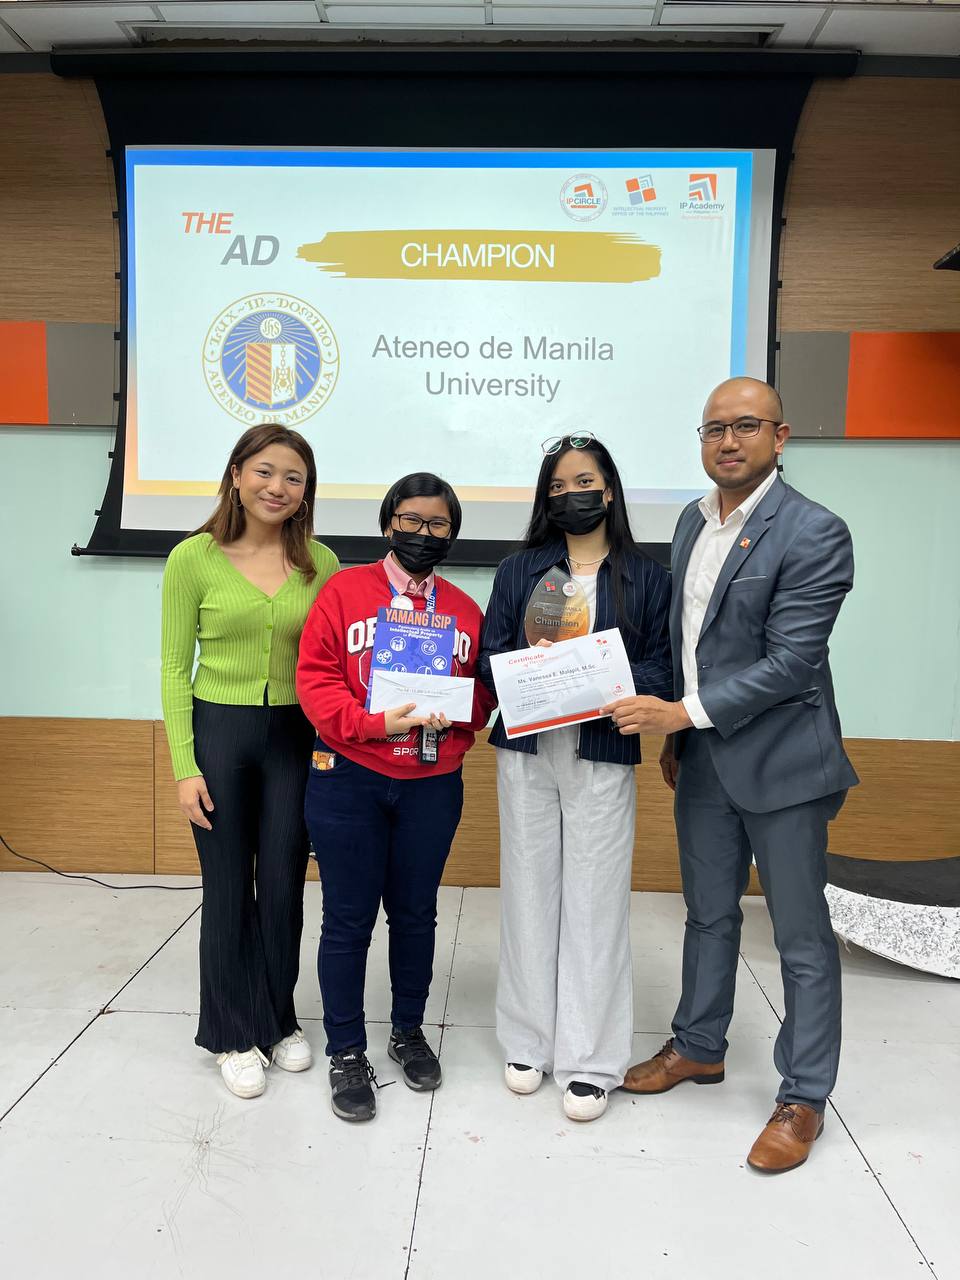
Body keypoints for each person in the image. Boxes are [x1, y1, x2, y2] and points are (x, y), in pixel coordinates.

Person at [607, 377, 858, 1173]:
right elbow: (692, 642)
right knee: (708, 915)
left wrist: (680, 715)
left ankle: (804, 1096)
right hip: (705, 760)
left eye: (746, 426)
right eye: (714, 428)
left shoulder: (815, 530)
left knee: (799, 937)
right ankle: (699, 1045)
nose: (727, 441)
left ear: (780, 437)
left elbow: (791, 663)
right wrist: (681, 738)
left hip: (784, 765)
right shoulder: (691, 520)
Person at [477, 432, 672, 1123]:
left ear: (609, 490)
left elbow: (663, 666)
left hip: (602, 749)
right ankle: (528, 1041)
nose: (571, 495)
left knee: (595, 900)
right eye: (557, 487)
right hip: (526, 748)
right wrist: (534, 671)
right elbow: (489, 655)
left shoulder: (646, 575)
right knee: (529, 892)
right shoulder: (520, 569)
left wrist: (593, 675)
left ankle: (591, 1059)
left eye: (583, 482)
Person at [296, 472, 496, 1123]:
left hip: (431, 785)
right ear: (388, 524)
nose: (423, 533)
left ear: (452, 534)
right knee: (347, 919)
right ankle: (346, 1050)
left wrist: (459, 716)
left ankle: (408, 1031)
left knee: (415, 915)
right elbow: (316, 681)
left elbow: (483, 695)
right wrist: (373, 724)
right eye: (411, 520)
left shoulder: (465, 610)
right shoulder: (343, 591)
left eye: (438, 524)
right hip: (348, 776)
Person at [160, 423, 339, 1099]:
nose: (277, 487)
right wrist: (185, 766)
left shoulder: (321, 562)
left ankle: (278, 1018)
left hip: (296, 736)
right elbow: (174, 669)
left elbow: (335, 662)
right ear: (236, 475)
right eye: (264, 471)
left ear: (306, 492)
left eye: (294, 477)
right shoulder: (193, 558)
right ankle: (233, 1033)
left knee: (286, 883)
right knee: (229, 885)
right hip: (219, 734)